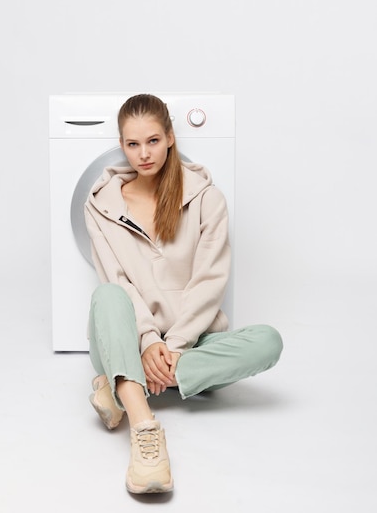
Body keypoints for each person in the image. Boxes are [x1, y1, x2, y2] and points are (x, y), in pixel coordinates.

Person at [84, 93, 283, 494]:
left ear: (171, 137)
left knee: (267, 341)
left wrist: (173, 345)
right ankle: (145, 431)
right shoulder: (100, 204)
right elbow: (117, 279)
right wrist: (147, 340)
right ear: (121, 145)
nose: (143, 154)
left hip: (191, 341)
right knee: (107, 296)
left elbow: (210, 281)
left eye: (153, 141)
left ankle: (123, 384)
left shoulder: (207, 199)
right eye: (133, 144)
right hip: (125, 338)